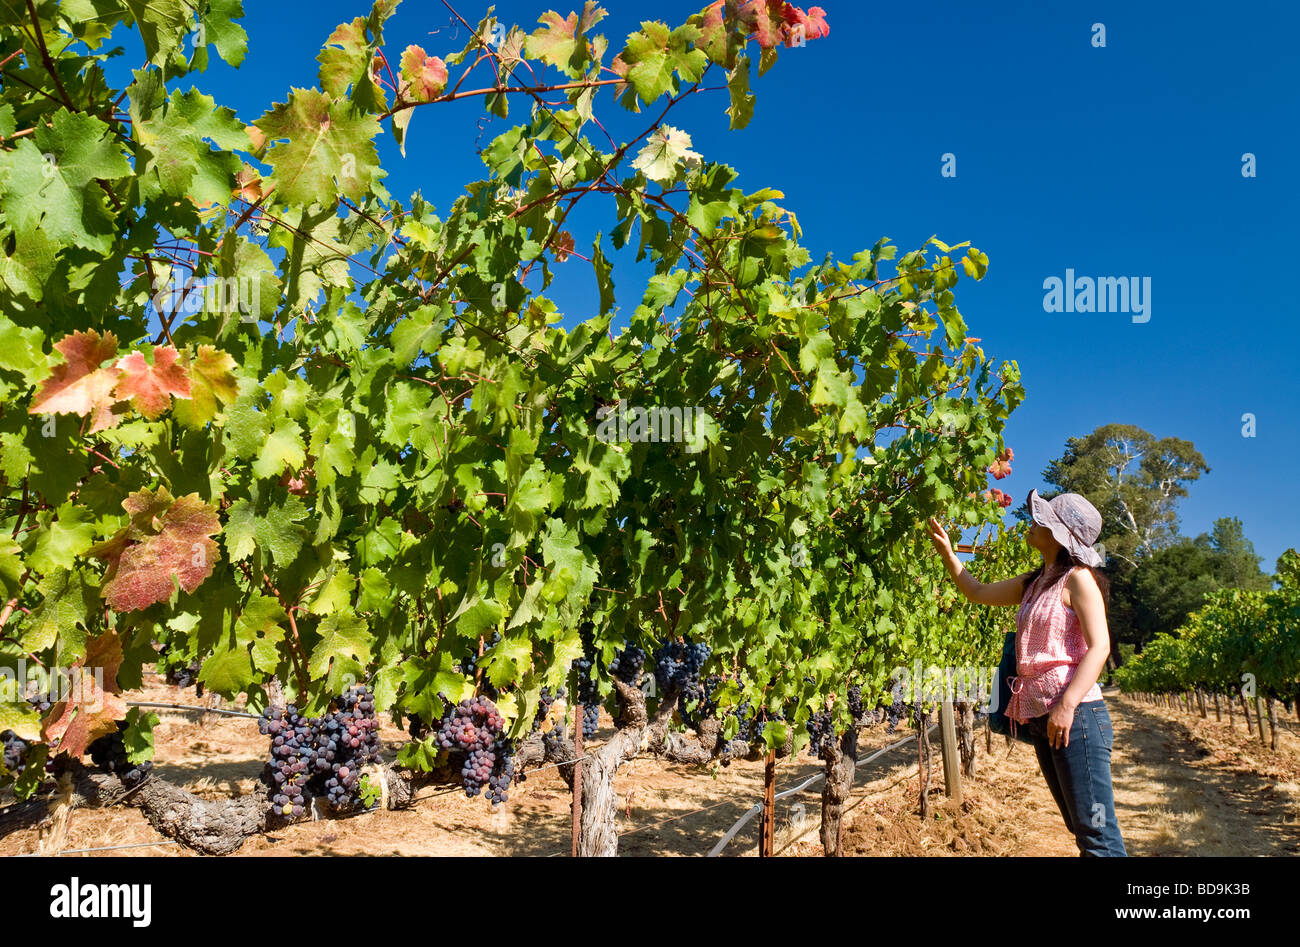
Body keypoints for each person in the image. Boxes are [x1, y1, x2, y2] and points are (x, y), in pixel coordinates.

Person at [926, 489, 1127, 857]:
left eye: (1041, 519)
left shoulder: (1079, 579)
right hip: (1044, 719)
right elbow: (977, 591)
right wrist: (949, 555)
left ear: (1057, 533)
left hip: (1077, 718)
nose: (1031, 523)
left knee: (1098, 837)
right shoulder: (1035, 583)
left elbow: (1100, 647)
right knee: (1080, 828)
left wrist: (1066, 705)